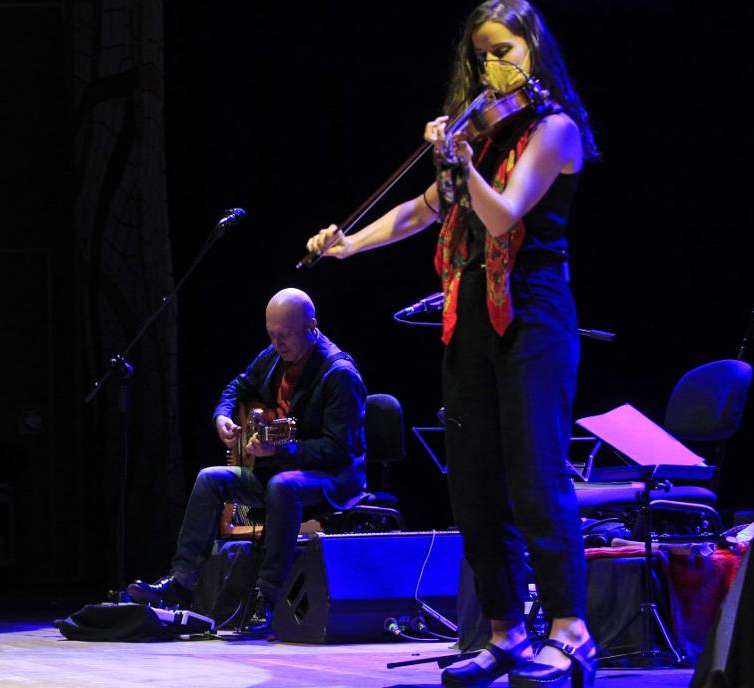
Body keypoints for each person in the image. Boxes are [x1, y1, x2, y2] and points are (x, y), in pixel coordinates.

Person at [305, 1, 597, 686]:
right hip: (468, 316)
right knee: (472, 481)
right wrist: (350, 244)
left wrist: (462, 163)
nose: (492, 65)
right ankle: (506, 632)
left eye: (504, 50)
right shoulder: (481, 139)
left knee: (536, 477)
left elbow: (502, 217)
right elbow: (422, 210)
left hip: (533, 316)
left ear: (533, 49)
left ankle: (572, 631)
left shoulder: (554, 130)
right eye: (482, 55)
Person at [128, 288, 367, 631]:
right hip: (279, 470)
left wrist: (279, 451)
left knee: (283, 486)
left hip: (333, 479)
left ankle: (267, 598)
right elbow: (237, 387)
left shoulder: (339, 373)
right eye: (271, 334)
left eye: (285, 335)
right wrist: (222, 416)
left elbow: (339, 449)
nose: (277, 343)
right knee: (210, 478)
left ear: (311, 327)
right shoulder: (274, 355)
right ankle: (182, 583)